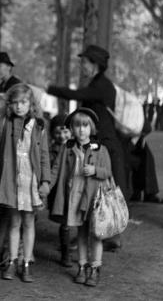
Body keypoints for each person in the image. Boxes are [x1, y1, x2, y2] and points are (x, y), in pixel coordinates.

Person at [47, 44, 127, 251]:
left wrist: (49, 89)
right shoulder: (99, 84)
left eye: (84, 62)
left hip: (104, 145)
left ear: (95, 64)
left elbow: (74, 95)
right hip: (103, 142)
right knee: (99, 190)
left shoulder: (100, 85)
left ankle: (105, 235)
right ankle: (105, 235)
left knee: (101, 191)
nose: (81, 65)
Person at [0, 83, 51, 283]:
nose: (19, 107)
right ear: (10, 105)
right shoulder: (3, 122)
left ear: (30, 103)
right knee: (14, 222)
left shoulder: (39, 126)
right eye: (14, 103)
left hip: (31, 183)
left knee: (29, 223)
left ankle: (26, 263)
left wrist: (46, 181)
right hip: (12, 182)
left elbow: (44, 156)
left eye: (23, 102)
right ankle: (12, 261)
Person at [49, 108, 112, 287]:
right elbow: (55, 170)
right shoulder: (67, 148)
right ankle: (82, 266)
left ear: (91, 128)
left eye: (85, 126)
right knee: (82, 233)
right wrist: (46, 187)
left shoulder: (100, 149)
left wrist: (95, 171)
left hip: (94, 198)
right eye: (77, 126)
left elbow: (108, 172)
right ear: (72, 129)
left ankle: (95, 268)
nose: (81, 130)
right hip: (75, 197)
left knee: (97, 234)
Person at [47, 113, 74, 267]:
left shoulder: (74, 148)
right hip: (58, 192)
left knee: (71, 221)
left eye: (65, 131)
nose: (62, 135)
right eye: (58, 132)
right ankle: (66, 253)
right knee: (65, 222)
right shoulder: (51, 150)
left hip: (71, 189)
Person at [127, 121, 163, 204]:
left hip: (133, 137)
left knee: (147, 157)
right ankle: (137, 191)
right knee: (140, 159)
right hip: (124, 140)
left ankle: (147, 192)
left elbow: (147, 127)